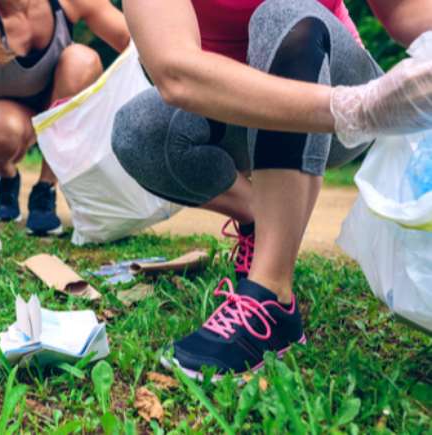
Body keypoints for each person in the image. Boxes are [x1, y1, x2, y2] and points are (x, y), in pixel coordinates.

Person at [113, 0, 432, 379]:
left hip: (328, 72)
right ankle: (261, 218)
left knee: (282, 11)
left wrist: (369, 101)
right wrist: (356, 108)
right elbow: (174, 71)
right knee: (140, 132)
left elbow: (405, 9)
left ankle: (271, 293)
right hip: (281, 106)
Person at [0, 0, 130, 257]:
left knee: (83, 60)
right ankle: (6, 177)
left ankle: (45, 190)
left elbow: (135, 44)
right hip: (10, 118)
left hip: (59, 104)